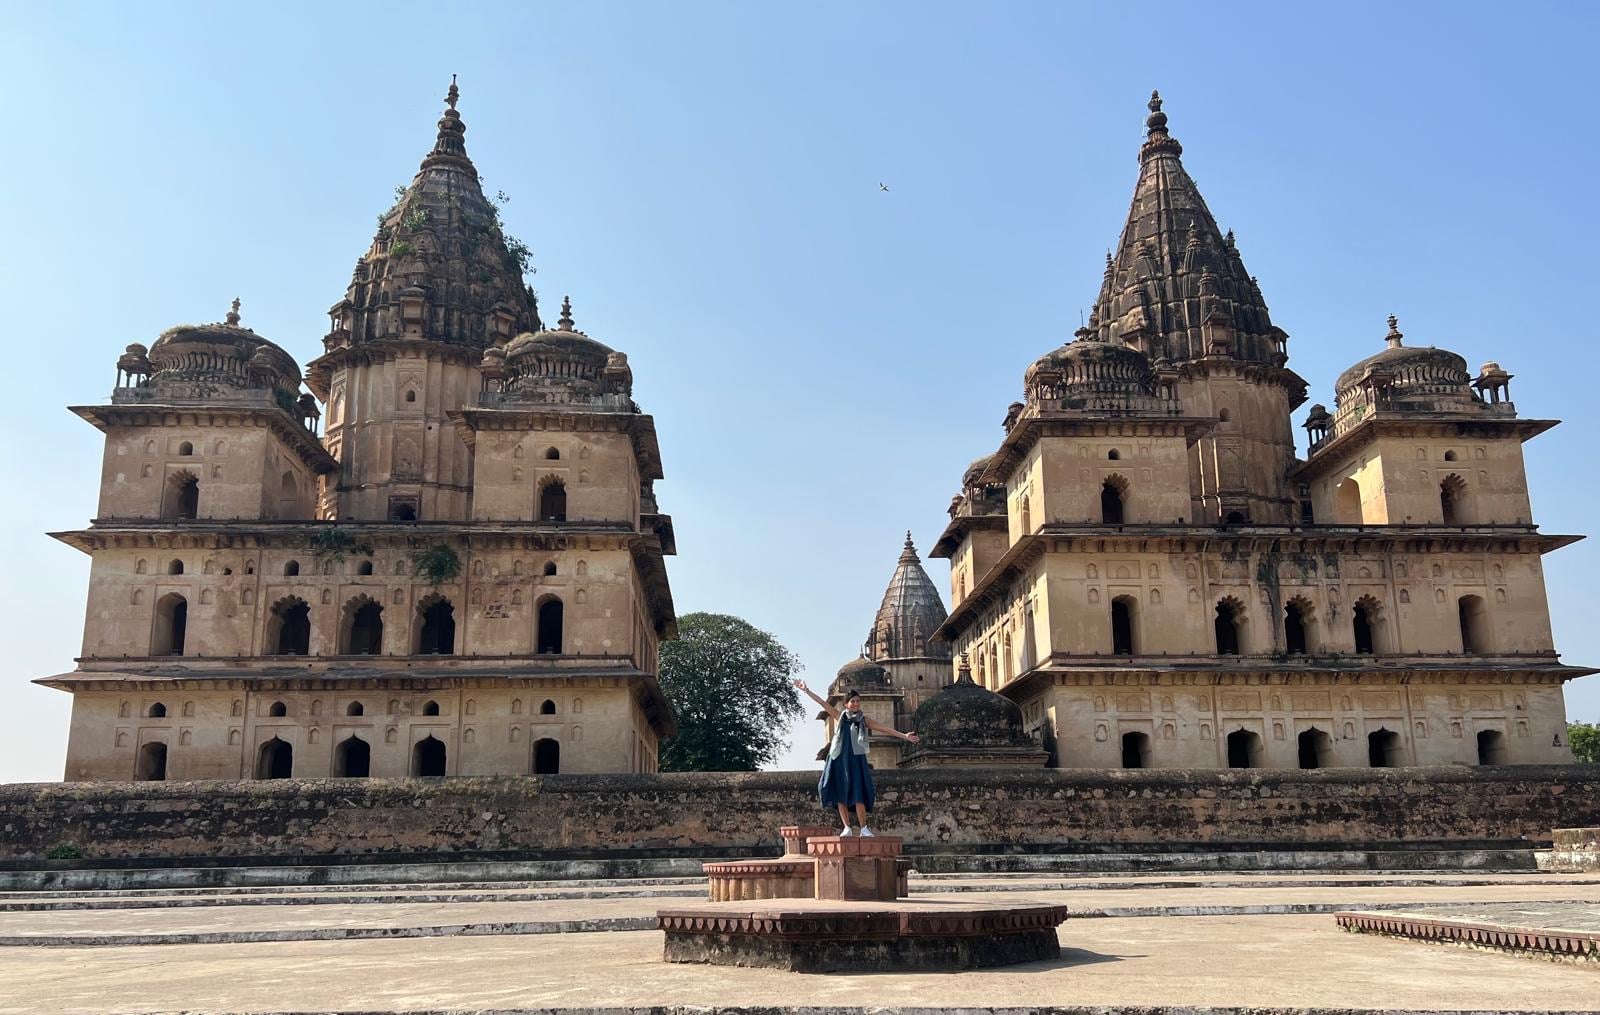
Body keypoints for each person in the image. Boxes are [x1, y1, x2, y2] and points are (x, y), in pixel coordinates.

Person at [794, 679, 918, 837]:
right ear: (846, 704)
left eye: (858, 701)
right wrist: (807, 690)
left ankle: (864, 828)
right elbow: (822, 704)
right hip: (838, 759)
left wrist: (904, 736)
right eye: (852, 701)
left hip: (856, 761)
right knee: (840, 793)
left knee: (858, 794)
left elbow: (884, 729)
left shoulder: (863, 720)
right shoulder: (840, 717)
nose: (856, 704)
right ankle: (847, 827)